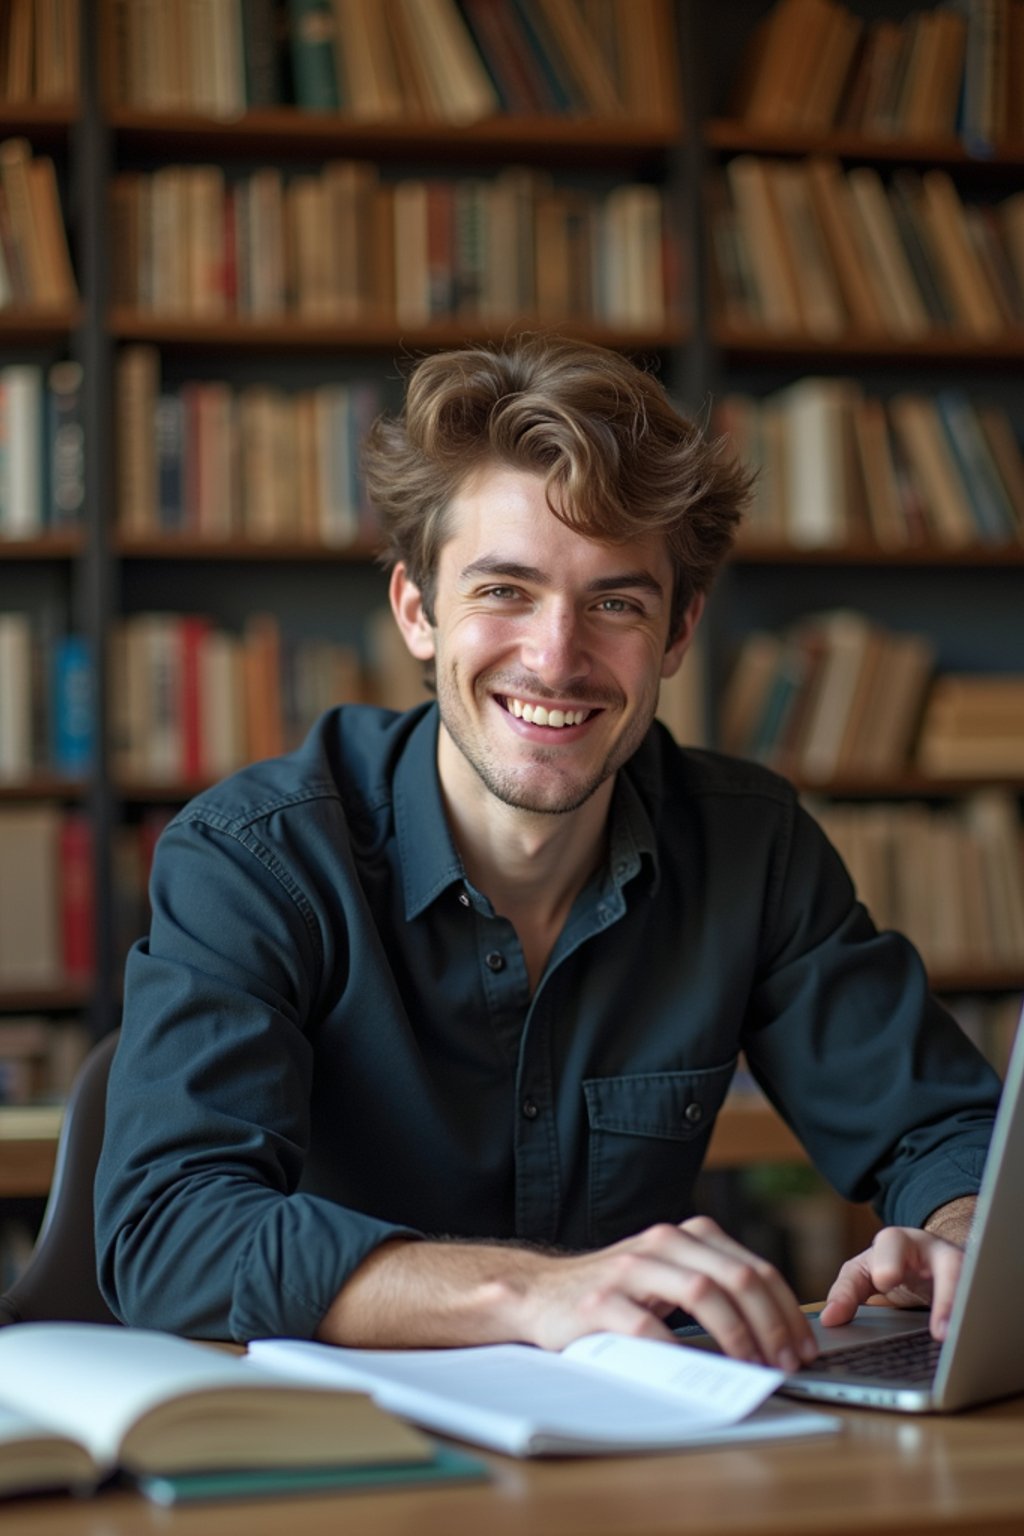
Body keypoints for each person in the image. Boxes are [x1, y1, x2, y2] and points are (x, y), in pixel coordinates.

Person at [95, 335, 1000, 1371]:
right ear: (416, 612)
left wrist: (961, 1239)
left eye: (614, 602)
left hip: (630, 1453)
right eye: (504, 591)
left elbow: (944, 1130)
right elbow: (168, 1234)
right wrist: (534, 1291)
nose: (555, 657)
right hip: (327, 1457)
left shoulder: (752, 846)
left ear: (676, 634)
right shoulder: (256, 859)